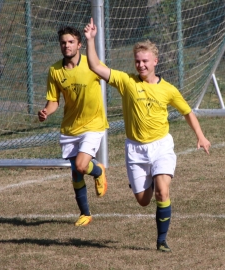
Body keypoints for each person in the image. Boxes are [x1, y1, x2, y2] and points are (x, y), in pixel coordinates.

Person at [84, 18, 211, 252]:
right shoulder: (126, 82)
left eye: (145, 61)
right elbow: (95, 66)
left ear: (155, 61)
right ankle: (147, 180)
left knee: (163, 191)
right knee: (143, 201)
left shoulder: (168, 89)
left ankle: (161, 241)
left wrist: (200, 136)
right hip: (135, 149)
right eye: (137, 61)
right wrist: (90, 40)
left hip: (161, 146)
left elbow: (188, 112)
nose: (140, 65)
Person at [38, 26, 108, 227]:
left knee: (81, 165)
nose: (66, 45)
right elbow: (53, 101)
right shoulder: (55, 70)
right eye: (63, 42)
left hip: (93, 124)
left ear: (79, 44)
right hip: (70, 128)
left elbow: (111, 77)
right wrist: (46, 112)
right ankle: (85, 213)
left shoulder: (91, 64)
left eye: (70, 42)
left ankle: (98, 170)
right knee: (76, 173)